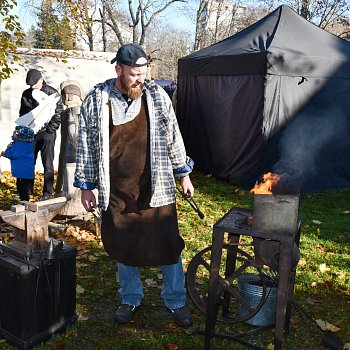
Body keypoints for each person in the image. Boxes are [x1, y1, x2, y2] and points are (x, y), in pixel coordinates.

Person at [74, 43, 195, 327]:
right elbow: (86, 146)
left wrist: (184, 174)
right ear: (118, 69)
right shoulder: (96, 101)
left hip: (158, 186)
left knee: (168, 244)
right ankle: (130, 297)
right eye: (134, 74)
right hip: (116, 189)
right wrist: (86, 186)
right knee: (124, 243)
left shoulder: (157, 96)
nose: (140, 79)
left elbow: (173, 137)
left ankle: (175, 300)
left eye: (143, 73)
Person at [19, 68, 63, 200]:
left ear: (41, 80)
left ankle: (47, 193)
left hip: (47, 134)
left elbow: (58, 112)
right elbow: (22, 113)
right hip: (31, 134)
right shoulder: (26, 94)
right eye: (30, 85)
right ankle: (26, 193)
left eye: (34, 84)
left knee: (48, 164)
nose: (32, 87)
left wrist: (50, 130)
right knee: (28, 162)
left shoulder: (52, 93)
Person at [1, 126, 35, 201]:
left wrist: (6, 152)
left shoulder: (18, 145)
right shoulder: (28, 144)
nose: (13, 133)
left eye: (16, 132)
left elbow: (13, 154)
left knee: (21, 188)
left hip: (21, 172)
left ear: (20, 135)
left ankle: (24, 202)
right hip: (27, 172)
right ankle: (24, 199)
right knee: (24, 187)